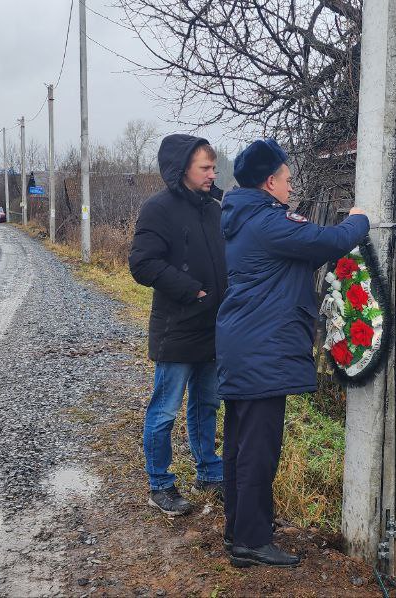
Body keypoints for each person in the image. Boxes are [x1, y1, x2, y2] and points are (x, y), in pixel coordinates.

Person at [215, 138, 370, 568]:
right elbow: (326, 241)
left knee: (241, 446)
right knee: (258, 449)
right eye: (286, 179)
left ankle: (240, 531)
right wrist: (359, 220)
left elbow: (296, 256)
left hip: (246, 346)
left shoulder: (244, 218)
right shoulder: (268, 220)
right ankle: (251, 541)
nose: (291, 187)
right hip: (262, 349)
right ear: (269, 182)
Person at [128, 134, 227, 516]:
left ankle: (209, 473)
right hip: (177, 327)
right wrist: (191, 290)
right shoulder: (159, 208)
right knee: (165, 410)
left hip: (212, 328)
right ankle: (160, 484)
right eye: (205, 168)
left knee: (207, 404)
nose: (212, 174)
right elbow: (142, 264)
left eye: (213, 167)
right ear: (183, 168)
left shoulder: (214, 209)